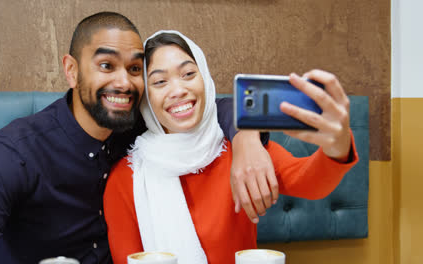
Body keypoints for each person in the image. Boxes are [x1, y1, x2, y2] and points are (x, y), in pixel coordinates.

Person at [0, 12, 274, 264]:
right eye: (106, 65)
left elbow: (218, 106)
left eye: (135, 69)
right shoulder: (16, 151)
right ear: (72, 70)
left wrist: (247, 135)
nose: (124, 82)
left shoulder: (136, 125)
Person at [103, 30, 359, 264]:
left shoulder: (244, 152)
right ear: (146, 97)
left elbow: (310, 183)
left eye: (189, 74)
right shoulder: (125, 179)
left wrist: (337, 145)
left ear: (205, 78)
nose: (178, 90)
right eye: (159, 82)